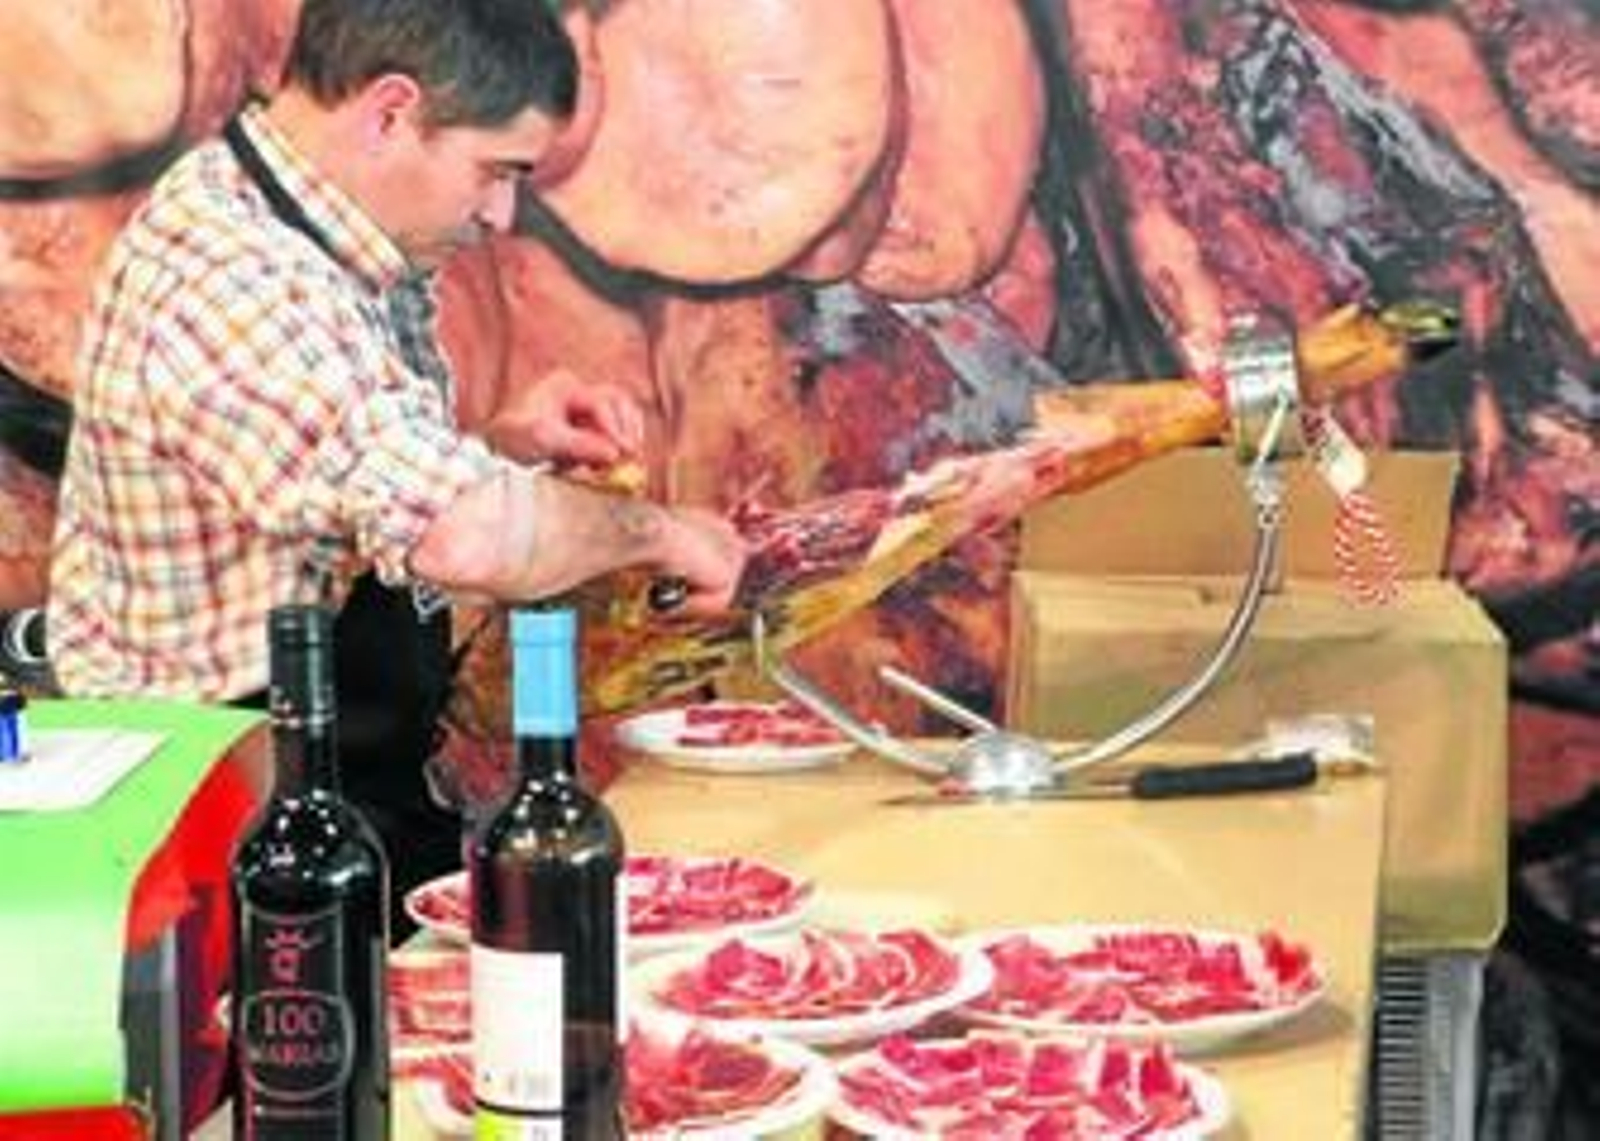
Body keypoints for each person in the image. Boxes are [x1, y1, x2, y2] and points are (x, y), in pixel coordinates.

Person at [47, 0, 747, 910]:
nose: (501, 214)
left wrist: (498, 441)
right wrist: (660, 532)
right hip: (232, 840)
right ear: (389, 111)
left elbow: (334, 482)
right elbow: (465, 539)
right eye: (495, 171)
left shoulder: (324, 236)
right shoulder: (230, 278)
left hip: (338, 790)